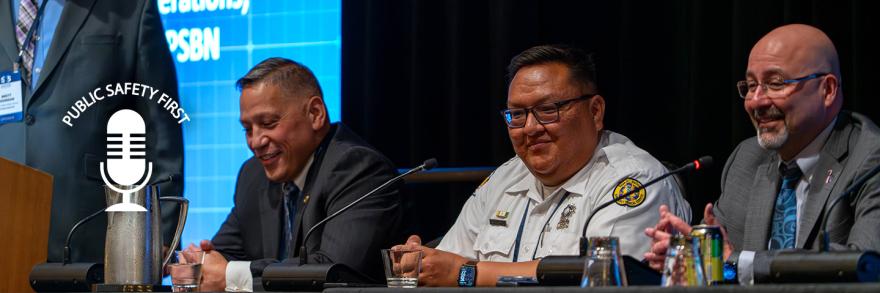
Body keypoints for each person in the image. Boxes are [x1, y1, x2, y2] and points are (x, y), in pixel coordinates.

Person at [395, 45, 692, 287]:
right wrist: (422, 264)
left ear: (595, 111)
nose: (530, 128)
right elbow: (446, 265)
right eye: (517, 115)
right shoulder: (504, 178)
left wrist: (467, 273)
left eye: (548, 110)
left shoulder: (633, 179)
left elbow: (605, 275)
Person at [644, 24, 880, 284]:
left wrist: (736, 262)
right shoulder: (747, 158)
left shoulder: (871, 158)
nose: (756, 101)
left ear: (828, 90)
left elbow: (866, 264)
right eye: (751, 85)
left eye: (775, 84)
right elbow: (720, 261)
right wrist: (688, 257)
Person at [191, 57, 402, 292]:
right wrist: (201, 264)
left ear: (315, 113)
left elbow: (332, 274)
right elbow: (223, 255)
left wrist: (233, 276)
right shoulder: (253, 174)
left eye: (268, 123)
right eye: (247, 129)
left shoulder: (358, 169)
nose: (255, 142)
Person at [0, 0, 183, 262]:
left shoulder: (130, 9)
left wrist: (162, 232)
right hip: (6, 230)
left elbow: (160, 128)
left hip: (90, 236)